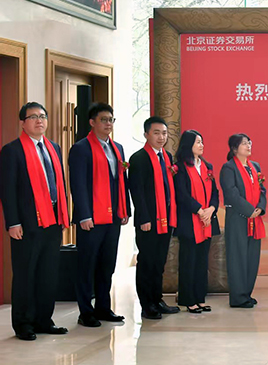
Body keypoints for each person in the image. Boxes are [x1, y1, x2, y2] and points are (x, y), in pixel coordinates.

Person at [0, 102, 69, 340]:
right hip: (27, 224)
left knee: (48, 274)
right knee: (25, 274)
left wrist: (63, 214)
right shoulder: (12, 150)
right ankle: (23, 324)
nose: (39, 120)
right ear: (22, 123)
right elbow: (7, 190)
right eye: (33, 117)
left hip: (52, 220)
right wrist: (13, 222)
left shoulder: (54, 147)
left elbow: (59, 184)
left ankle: (43, 320)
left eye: (42, 116)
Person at [68, 103, 130, 327]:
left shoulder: (117, 148)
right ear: (92, 122)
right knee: (87, 265)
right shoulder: (81, 148)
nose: (108, 124)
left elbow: (121, 181)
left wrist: (125, 209)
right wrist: (84, 215)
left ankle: (103, 307)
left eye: (111, 120)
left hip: (113, 216)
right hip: (91, 218)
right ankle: (86, 312)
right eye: (104, 119)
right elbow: (77, 184)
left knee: (107, 264)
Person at [129, 116, 180, 320]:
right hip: (149, 220)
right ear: (146, 134)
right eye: (156, 133)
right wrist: (144, 218)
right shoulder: (139, 158)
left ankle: (157, 300)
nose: (161, 137)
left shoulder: (167, 157)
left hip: (165, 218)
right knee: (147, 262)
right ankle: (146, 304)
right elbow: (137, 191)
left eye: (164, 133)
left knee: (159, 262)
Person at [174, 130, 220, 313]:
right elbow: (181, 194)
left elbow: (215, 192)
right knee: (188, 261)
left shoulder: (207, 166)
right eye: (198, 142)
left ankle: (200, 298)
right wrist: (199, 210)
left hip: (206, 221)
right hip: (189, 221)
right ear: (188, 144)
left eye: (202, 141)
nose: (201, 145)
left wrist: (211, 209)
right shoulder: (180, 167)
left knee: (202, 262)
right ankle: (188, 299)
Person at [219, 133, 265, 308]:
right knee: (237, 258)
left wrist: (259, 208)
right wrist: (249, 210)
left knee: (252, 257)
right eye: (244, 143)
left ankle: (247, 293)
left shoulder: (255, 166)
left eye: (249, 142)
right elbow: (231, 193)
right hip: (238, 218)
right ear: (234, 148)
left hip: (255, 218)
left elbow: (262, 190)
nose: (248, 146)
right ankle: (238, 297)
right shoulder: (229, 168)